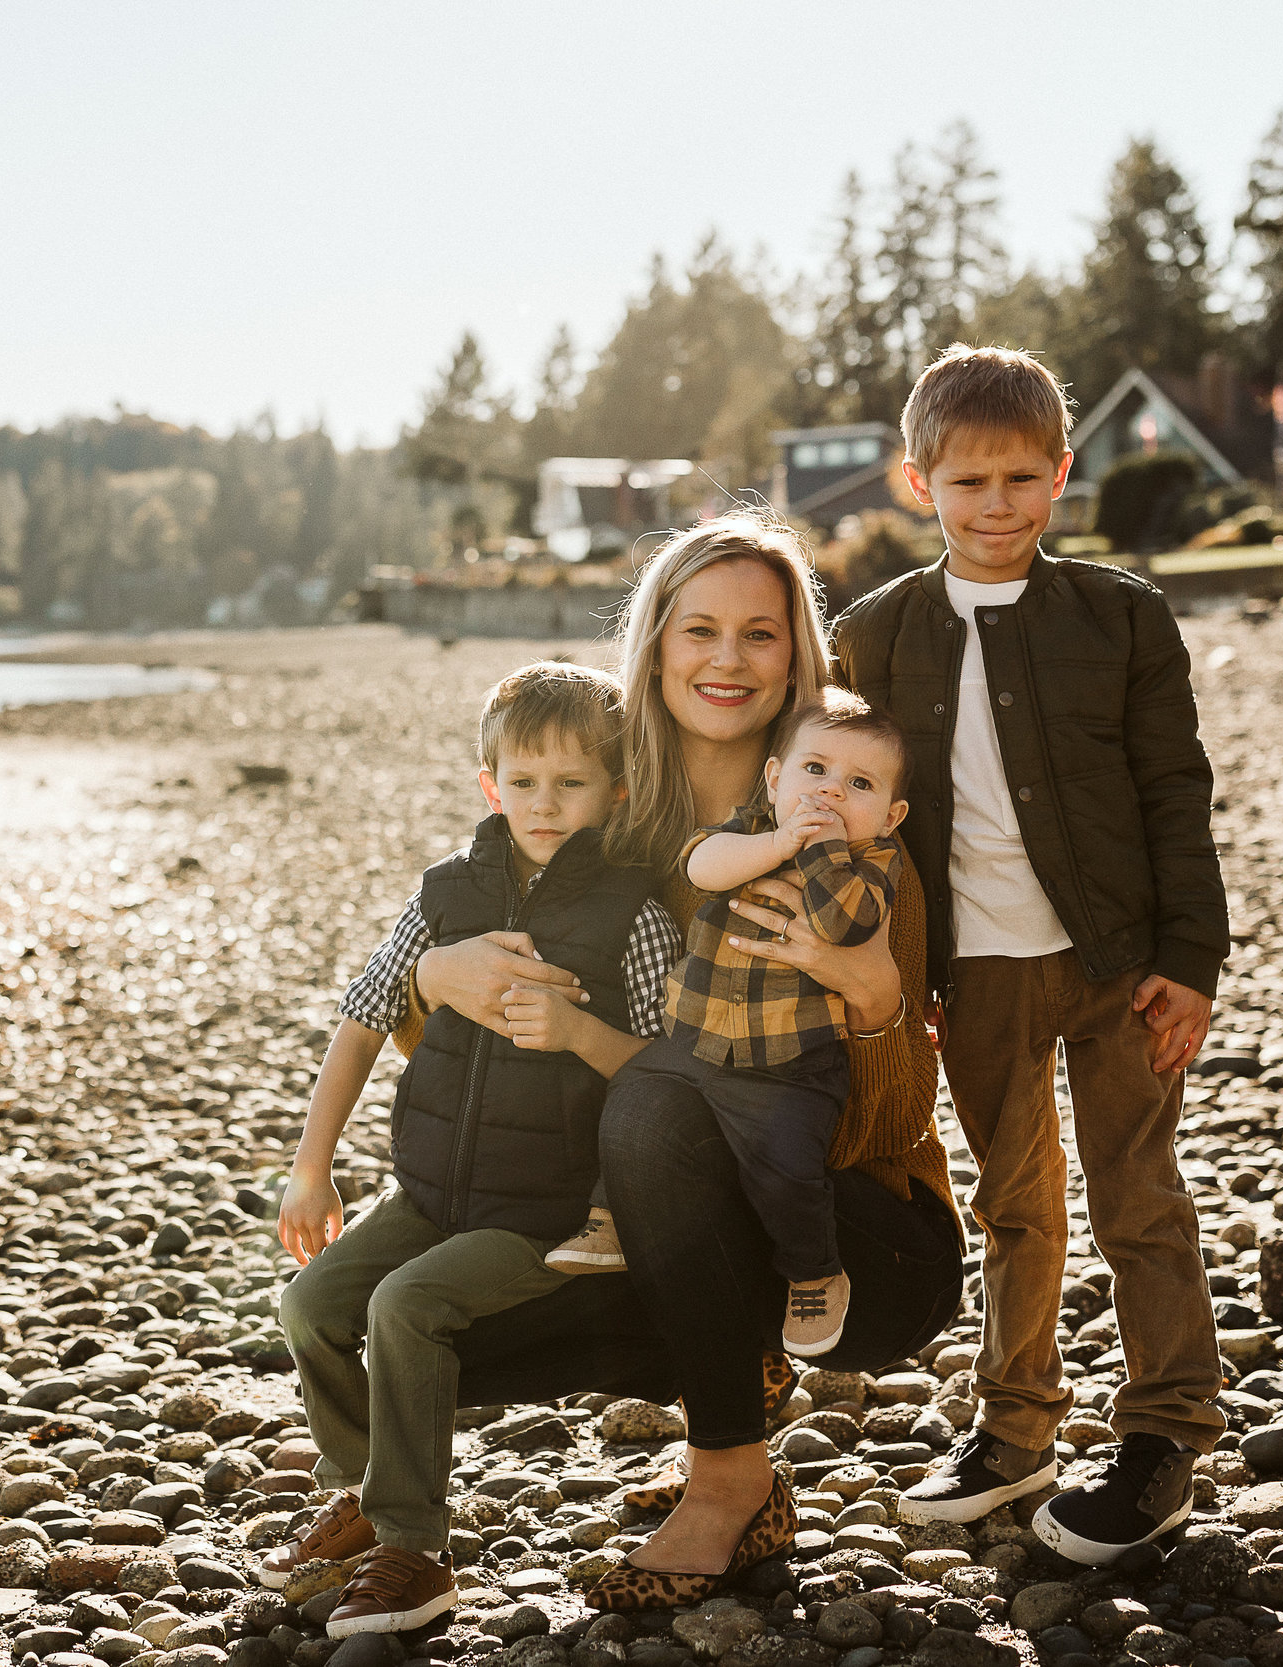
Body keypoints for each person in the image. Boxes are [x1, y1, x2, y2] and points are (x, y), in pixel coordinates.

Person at [407, 513, 965, 1613]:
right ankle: (719, 1373)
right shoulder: (607, 821)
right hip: (648, 1209)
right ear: (655, 643)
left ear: (796, 654)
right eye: (698, 629)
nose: (725, 659)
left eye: (760, 634)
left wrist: (867, 998)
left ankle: (728, 1478)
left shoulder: (845, 826)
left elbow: (896, 1113)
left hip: (855, 1232)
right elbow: (460, 1005)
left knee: (660, 1113)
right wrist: (434, 978)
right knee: (449, 1317)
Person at [835, 343, 1233, 1565]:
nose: (995, 506)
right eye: (967, 484)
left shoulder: (1121, 615)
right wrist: (894, 984)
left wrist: (1192, 960)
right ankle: (1017, 1428)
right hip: (976, 973)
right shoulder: (875, 634)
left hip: (1119, 961)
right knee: (1014, 1204)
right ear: (920, 484)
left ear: (1062, 473)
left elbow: (1175, 790)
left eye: (1020, 478)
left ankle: (1165, 1432)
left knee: (1137, 1196)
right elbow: (847, 815)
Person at [264, 661, 681, 1636]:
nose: (545, 802)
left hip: (550, 1208)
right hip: (430, 1188)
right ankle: (363, 1489)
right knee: (312, 1303)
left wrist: (582, 1036)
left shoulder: (634, 911)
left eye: (570, 782)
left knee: (405, 1305)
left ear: (614, 790)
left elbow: (671, 1072)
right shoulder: (444, 894)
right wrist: (311, 1163)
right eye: (524, 781)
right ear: (490, 783)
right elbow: (364, 1017)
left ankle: (416, 1547)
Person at [628, 686, 906, 1355]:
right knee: (631, 1104)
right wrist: (781, 839)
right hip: (695, 1038)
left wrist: (819, 850)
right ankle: (608, 1210)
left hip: (790, 1064)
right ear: (776, 778)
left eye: (858, 783)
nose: (830, 792)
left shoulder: (875, 862)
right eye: (814, 771)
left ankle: (813, 1269)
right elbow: (702, 867)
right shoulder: (749, 829)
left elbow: (847, 921)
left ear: (890, 816)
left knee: (786, 1167)